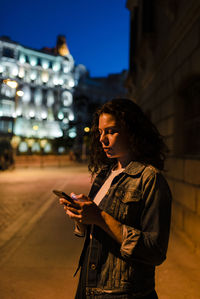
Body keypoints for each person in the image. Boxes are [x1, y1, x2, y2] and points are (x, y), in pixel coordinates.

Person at [59, 98, 172, 298]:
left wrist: (100, 217)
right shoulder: (105, 173)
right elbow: (95, 230)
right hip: (89, 285)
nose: (102, 139)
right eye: (100, 132)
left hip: (123, 293)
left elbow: (155, 251)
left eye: (111, 131)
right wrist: (81, 217)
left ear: (132, 131)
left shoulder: (150, 178)